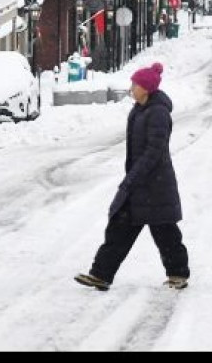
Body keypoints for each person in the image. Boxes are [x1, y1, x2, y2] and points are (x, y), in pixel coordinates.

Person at [75, 62, 190, 291]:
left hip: (156, 186)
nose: (131, 88)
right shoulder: (140, 109)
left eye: (135, 84)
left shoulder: (157, 113)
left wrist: (133, 177)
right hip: (140, 183)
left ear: (146, 88)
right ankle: (100, 274)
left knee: (166, 232)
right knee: (119, 229)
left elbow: (154, 151)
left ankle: (178, 274)